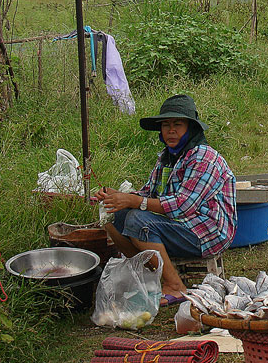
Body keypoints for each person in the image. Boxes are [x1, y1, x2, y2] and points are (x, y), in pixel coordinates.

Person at [96, 94, 237, 307]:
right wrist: (117, 197)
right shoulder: (167, 157)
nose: (171, 130)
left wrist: (134, 202)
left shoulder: (204, 157)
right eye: (166, 125)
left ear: (190, 129)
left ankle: (175, 286)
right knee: (115, 217)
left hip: (207, 231)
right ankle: (148, 279)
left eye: (178, 125)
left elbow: (182, 206)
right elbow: (148, 193)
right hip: (181, 226)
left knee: (136, 220)